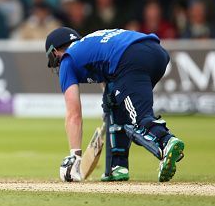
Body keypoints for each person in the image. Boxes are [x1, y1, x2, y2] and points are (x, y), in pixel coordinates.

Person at [44, 27, 185, 182]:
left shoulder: (67, 60)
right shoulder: (90, 43)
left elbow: (73, 114)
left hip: (130, 58)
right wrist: (109, 102)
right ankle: (116, 167)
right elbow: (108, 84)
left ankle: (166, 142)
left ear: (55, 52)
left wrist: (75, 156)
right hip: (156, 53)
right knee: (115, 105)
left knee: (138, 121)